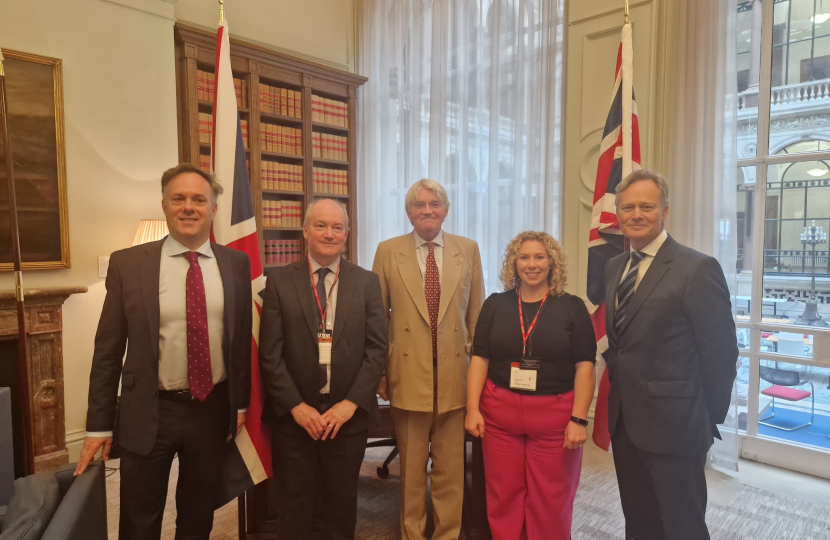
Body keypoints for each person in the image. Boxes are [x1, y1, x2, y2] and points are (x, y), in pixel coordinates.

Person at [76, 163, 252, 540]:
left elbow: (239, 343)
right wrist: (98, 424)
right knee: (139, 519)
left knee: (198, 514)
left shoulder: (236, 264)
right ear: (164, 205)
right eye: (179, 199)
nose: (189, 207)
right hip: (149, 411)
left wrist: (239, 404)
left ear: (213, 209)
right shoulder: (129, 264)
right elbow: (107, 350)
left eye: (198, 199)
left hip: (211, 410)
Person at [604, 170, 738, 540]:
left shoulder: (697, 268)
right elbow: (621, 343)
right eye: (628, 207)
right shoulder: (615, 266)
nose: (636, 214)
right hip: (627, 422)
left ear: (665, 211)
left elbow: (721, 352)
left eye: (646, 206)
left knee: (683, 524)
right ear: (617, 213)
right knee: (639, 519)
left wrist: (707, 415)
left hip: (678, 425)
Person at [259, 198, 387, 540]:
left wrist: (350, 405)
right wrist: (297, 407)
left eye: (337, 227)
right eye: (320, 225)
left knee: (342, 506)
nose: (329, 234)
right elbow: (270, 355)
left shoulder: (367, 283)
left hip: (346, 418)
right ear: (305, 231)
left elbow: (377, 350)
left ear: (346, 234)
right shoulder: (280, 281)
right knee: (294, 506)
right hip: (294, 418)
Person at [372, 179, 485, 540]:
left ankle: (448, 534)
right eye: (419, 205)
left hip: (455, 375)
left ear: (446, 210)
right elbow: (377, 319)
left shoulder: (467, 250)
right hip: (407, 373)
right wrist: (381, 372)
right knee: (412, 470)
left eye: (434, 204)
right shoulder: (388, 251)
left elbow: (476, 317)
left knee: (451, 470)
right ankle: (412, 534)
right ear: (408, 212)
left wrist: (477, 379)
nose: (427, 211)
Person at [465, 231, 596, 540]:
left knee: (550, 497)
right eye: (524, 257)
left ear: (552, 263)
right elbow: (479, 359)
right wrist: (472, 409)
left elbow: (585, 366)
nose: (532, 264)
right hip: (499, 416)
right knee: (503, 493)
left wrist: (579, 419)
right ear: (514, 263)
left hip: (555, 418)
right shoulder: (495, 304)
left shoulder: (572, 307)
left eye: (540, 257)